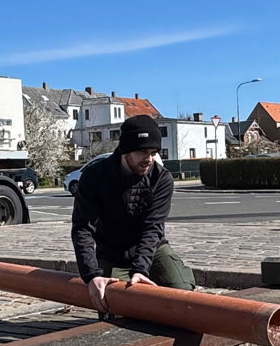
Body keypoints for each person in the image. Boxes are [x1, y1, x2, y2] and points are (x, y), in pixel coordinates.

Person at [71, 114, 195, 313]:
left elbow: (153, 228)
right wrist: (92, 275)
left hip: (152, 249)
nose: (149, 159)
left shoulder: (161, 179)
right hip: (112, 252)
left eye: (153, 152)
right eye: (142, 152)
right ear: (125, 150)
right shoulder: (94, 177)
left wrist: (140, 269)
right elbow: (82, 229)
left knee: (181, 294)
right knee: (114, 302)